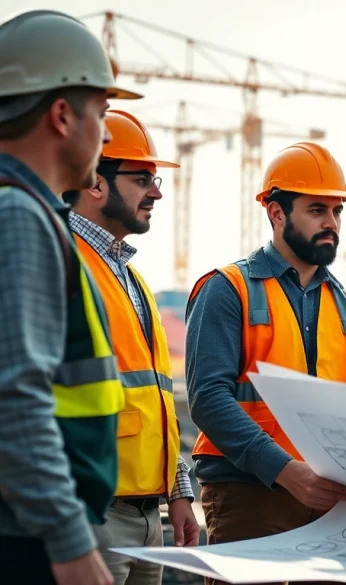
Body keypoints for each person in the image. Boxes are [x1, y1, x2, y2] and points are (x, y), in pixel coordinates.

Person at [185, 142, 346, 585]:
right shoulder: (226, 289)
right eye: (316, 210)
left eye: (337, 211)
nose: (331, 223)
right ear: (276, 213)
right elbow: (208, 399)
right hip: (250, 496)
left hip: (332, 504)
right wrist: (285, 471)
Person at [0, 9, 143, 585]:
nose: (107, 133)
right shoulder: (19, 215)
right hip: (29, 542)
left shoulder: (28, 212)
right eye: (103, 112)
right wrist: (71, 543)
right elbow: (15, 398)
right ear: (62, 115)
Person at [62, 109, 201, 584]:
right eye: (143, 178)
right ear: (96, 183)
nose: (157, 192)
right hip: (93, 513)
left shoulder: (134, 280)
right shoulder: (64, 259)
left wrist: (177, 489)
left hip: (147, 519)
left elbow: (154, 396)